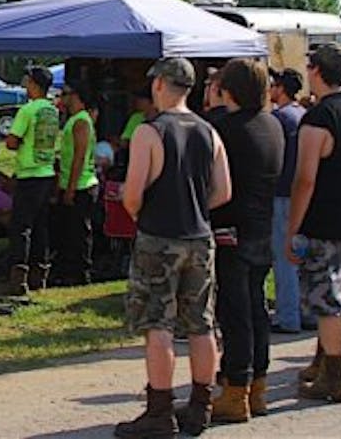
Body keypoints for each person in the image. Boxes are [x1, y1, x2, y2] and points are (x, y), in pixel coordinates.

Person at [115, 57, 231, 439]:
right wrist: (194, 207)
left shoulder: (151, 132)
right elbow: (223, 191)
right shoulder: (209, 131)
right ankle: (200, 406)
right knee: (201, 323)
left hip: (159, 236)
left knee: (157, 323)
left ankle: (160, 410)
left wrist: (143, 212)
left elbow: (132, 194)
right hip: (200, 238)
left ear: (161, 84)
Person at [285, 43, 341, 403]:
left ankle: (336, 375)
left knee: (328, 299)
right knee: (335, 295)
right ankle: (324, 360)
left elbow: (305, 178)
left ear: (316, 71)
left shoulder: (319, 117)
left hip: (323, 220)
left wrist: (293, 227)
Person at [209, 59, 283, 423]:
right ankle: (258, 386)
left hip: (229, 227)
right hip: (262, 226)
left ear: (228, 90)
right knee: (255, 309)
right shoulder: (273, 124)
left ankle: (235, 388)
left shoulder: (224, 127)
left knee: (234, 310)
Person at [4, 66, 60, 296]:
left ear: (35, 84)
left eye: (27, 80)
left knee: (21, 227)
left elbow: (11, 141)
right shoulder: (52, 111)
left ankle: (19, 277)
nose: (25, 84)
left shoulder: (27, 111)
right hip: (46, 173)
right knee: (40, 226)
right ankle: (40, 275)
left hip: (29, 174)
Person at [268, 67, 307, 333]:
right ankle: (306, 311)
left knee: (284, 258)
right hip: (302, 194)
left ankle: (287, 316)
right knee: (302, 256)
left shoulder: (278, 119)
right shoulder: (304, 115)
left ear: (281, 88)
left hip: (281, 193)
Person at [49, 80, 99, 286]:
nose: (63, 98)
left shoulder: (80, 122)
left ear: (76, 96)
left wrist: (70, 188)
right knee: (68, 231)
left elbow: (79, 156)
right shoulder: (75, 120)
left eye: (66, 94)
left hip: (81, 185)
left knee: (78, 233)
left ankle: (80, 273)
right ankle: (69, 269)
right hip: (72, 182)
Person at [119, 84, 156, 151]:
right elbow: (124, 141)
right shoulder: (135, 118)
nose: (137, 101)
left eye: (141, 99)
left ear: (152, 102)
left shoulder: (162, 119)